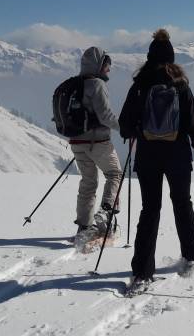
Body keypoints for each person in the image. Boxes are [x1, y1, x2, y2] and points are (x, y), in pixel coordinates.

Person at [118, 29, 194, 293]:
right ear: (172, 58)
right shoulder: (181, 84)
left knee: (150, 210)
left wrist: (139, 131)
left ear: (149, 56)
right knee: (182, 204)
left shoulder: (140, 85)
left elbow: (124, 125)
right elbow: (193, 123)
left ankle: (141, 272)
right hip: (178, 155)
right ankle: (192, 256)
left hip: (148, 155)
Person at [70, 46, 122, 243]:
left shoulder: (75, 84)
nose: (108, 70)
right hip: (97, 141)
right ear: (100, 65)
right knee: (114, 174)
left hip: (76, 141)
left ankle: (84, 226)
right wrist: (124, 128)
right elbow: (105, 116)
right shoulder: (97, 84)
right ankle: (104, 218)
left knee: (88, 182)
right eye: (107, 66)